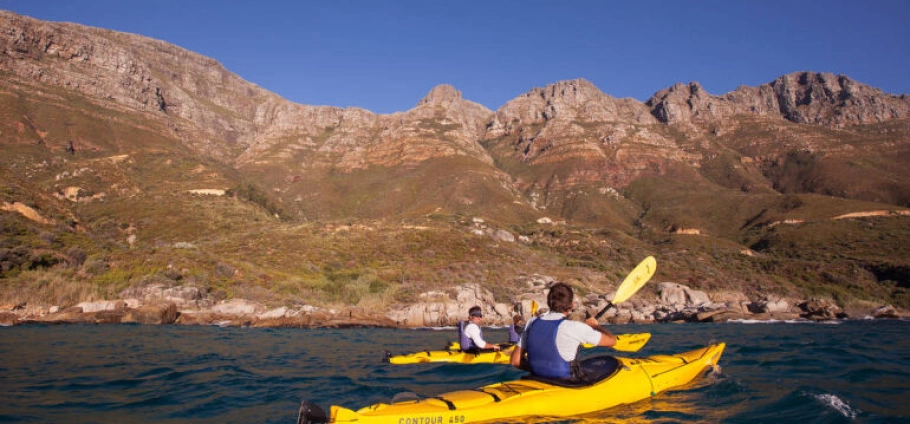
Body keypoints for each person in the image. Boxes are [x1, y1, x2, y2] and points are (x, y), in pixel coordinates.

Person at [510, 282, 616, 380]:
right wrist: (595, 326)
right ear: (571, 305)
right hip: (567, 383)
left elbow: (515, 361)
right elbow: (612, 341)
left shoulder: (531, 323)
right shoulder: (574, 327)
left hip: (537, 379)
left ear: (549, 302)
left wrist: (539, 369)